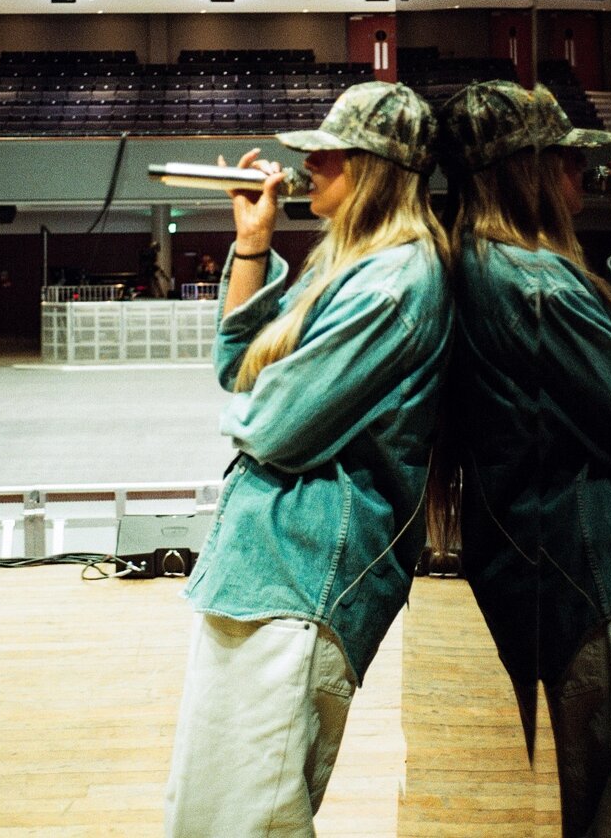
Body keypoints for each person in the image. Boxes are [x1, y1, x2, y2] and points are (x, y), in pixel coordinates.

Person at [430, 80, 611, 838]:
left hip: (580, 581)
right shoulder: (536, 283)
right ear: (524, 170)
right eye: (564, 158)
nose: (581, 173)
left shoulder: (483, 265)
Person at [164, 81, 453, 837]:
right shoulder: (349, 268)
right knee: (213, 813)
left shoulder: (394, 283)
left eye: (329, 153)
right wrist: (252, 244)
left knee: (247, 819)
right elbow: (238, 370)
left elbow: (273, 425)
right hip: (266, 573)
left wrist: (251, 414)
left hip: (301, 580)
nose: (308, 165)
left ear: (375, 168)